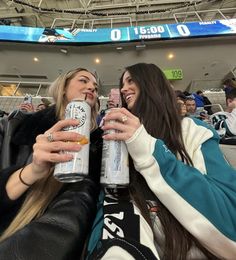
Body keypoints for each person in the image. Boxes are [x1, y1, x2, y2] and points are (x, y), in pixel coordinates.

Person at [85, 63, 236, 259]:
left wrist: (146, 147)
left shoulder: (193, 130)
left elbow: (230, 218)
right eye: (122, 84)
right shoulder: (119, 137)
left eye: (131, 80)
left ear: (151, 83)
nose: (123, 89)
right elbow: (112, 208)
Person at [0, 68, 103, 259]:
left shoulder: (101, 143)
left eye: (96, 88)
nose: (91, 88)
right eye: (83, 81)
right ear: (63, 88)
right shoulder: (20, 128)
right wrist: (34, 169)